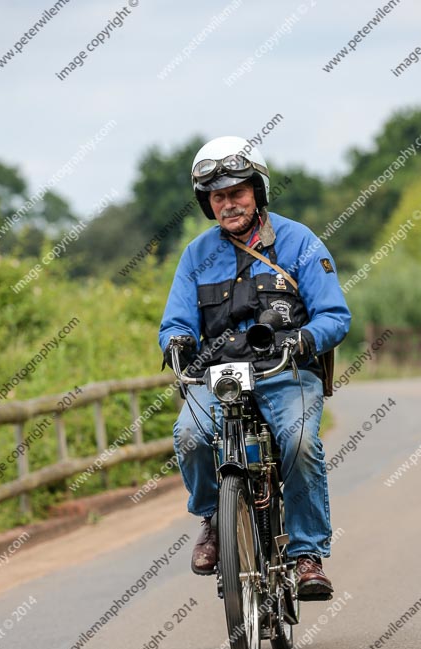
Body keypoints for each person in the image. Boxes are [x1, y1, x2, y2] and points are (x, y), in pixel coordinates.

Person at [159, 135, 351, 600]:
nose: (228, 204)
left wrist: (306, 337)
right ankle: (214, 518)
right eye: (218, 196)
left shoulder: (299, 241)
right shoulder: (195, 256)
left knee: (301, 442)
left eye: (237, 193)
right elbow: (174, 323)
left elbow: (335, 315)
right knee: (188, 435)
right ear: (208, 203)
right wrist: (178, 342)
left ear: (257, 191)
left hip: (286, 370)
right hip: (220, 375)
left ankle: (307, 554)